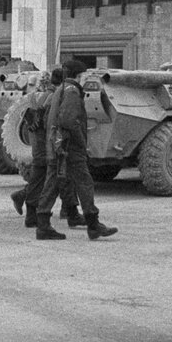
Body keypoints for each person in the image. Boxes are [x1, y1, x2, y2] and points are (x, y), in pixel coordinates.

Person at [35, 59, 118, 241]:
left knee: (52, 184)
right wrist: (81, 142)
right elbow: (68, 120)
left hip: (57, 146)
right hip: (69, 147)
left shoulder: (61, 89)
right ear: (79, 75)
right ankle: (93, 224)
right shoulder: (72, 92)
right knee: (84, 183)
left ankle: (42, 224)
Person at [10, 69, 84, 229]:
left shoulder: (41, 96)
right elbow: (52, 123)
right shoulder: (54, 97)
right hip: (48, 147)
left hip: (40, 147)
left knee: (41, 180)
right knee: (60, 179)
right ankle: (68, 213)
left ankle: (32, 211)